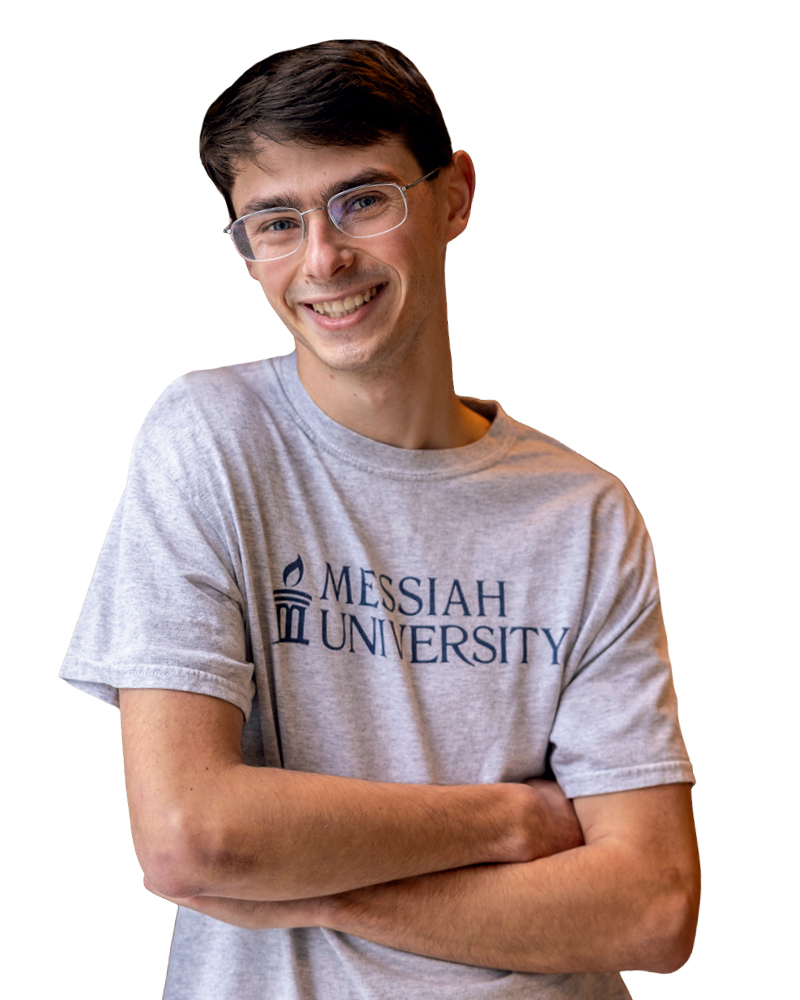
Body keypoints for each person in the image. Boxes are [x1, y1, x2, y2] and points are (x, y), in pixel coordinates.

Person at [60, 39, 700, 1000]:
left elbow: (651, 909)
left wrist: (308, 892)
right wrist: (506, 823)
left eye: (362, 199)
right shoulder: (211, 442)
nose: (322, 259)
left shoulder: (583, 515)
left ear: (453, 197)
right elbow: (193, 834)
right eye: (275, 221)